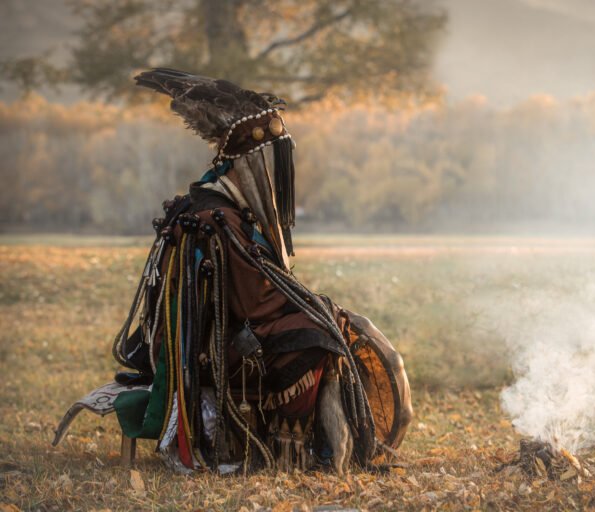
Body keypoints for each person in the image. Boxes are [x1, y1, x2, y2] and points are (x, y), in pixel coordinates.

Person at [53, 69, 412, 475]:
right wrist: (319, 308)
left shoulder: (211, 204)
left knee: (317, 319)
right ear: (250, 164)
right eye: (270, 164)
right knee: (316, 337)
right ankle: (293, 451)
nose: (276, 177)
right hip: (206, 352)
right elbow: (256, 303)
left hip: (205, 338)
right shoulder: (219, 216)